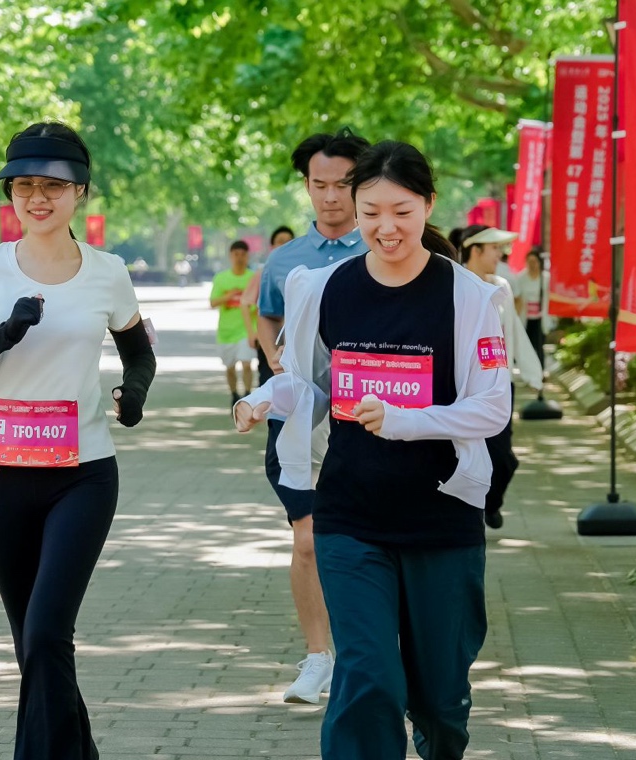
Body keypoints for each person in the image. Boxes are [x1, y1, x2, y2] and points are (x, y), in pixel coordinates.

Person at [234, 140, 512, 759]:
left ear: (429, 205)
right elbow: (311, 383)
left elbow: (493, 407)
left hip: (442, 518)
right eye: (371, 212)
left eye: (402, 211)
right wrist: (263, 399)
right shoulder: (325, 288)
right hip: (350, 516)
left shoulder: (469, 296)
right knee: (368, 678)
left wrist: (403, 419)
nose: (386, 227)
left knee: (441, 697)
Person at [0, 121, 156, 760]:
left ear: (80, 191)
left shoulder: (108, 272)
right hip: (0, 475)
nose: (37, 198)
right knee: (32, 642)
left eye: (53, 186)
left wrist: (134, 395)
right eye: (23, 186)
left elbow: (139, 353)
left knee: (47, 633)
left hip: (83, 474)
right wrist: (5, 333)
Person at [255, 127, 371, 705]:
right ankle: (318, 657)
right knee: (307, 541)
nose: (330, 196)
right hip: (299, 424)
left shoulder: (384, 248)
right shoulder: (284, 260)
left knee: (365, 544)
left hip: (370, 422)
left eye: (343, 184)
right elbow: (267, 316)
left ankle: (367, 656)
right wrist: (273, 356)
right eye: (319, 184)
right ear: (306, 185)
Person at [460, 225, 543, 529]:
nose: (499, 255)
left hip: (499, 386)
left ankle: (490, 503)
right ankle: (468, 511)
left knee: (503, 457)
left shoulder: (501, 286)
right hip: (463, 388)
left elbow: (514, 331)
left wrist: (533, 373)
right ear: (475, 250)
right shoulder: (454, 284)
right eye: (494, 248)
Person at [243, 225, 295, 387]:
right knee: (269, 383)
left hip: (295, 342)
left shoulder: (303, 272)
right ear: (272, 246)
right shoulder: (264, 271)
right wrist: (251, 333)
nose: (285, 245)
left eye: (289, 241)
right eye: (280, 241)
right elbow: (245, 303)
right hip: (270, 341)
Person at [210, 240, 256, 406]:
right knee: (230, 368)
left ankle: (248, 395)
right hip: (226, 332)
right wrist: (228, 296)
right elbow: (213, 302)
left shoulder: (253, 278)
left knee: (247, 364)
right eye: (236, 254)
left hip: (247, 330)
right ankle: (234, 395)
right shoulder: (221, 278)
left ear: (247, 256)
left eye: (243, 254)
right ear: (231, 256)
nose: (239, 258)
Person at [517, 247, 550, 370]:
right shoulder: (521, 278)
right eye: (529, 261)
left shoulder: (545, 278)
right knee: (527, 346)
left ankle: (541, 371)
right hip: (526, 318)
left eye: (534, 261)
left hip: (540, 318)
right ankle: (529, 371)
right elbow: (518, 299)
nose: (532, 264)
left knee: (539, 345)